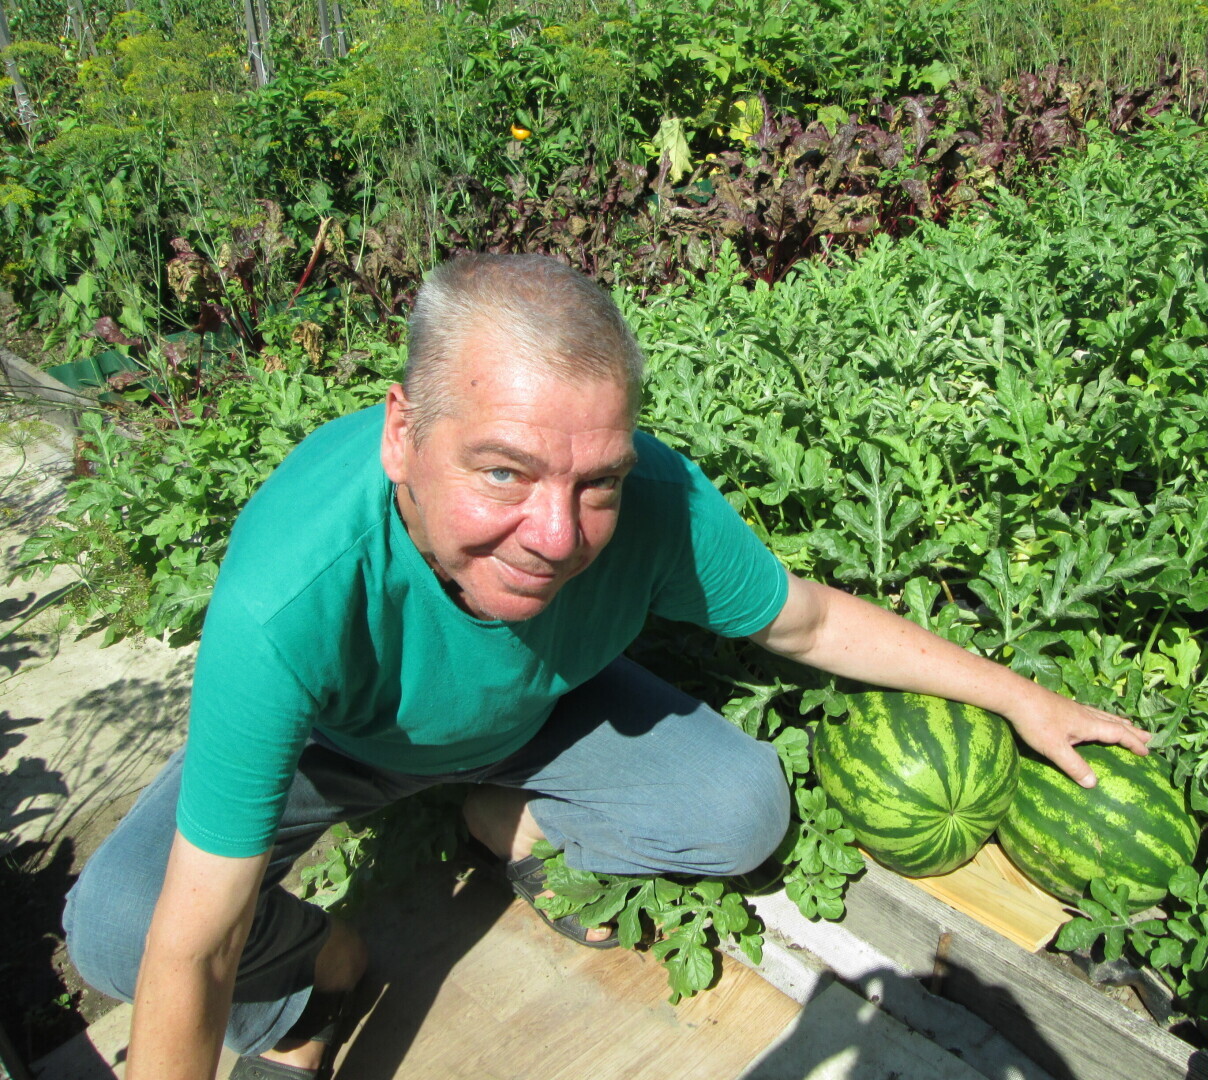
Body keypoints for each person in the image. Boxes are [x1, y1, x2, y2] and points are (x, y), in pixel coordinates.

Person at [62, 254, 1150, 1080]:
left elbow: (808, 623)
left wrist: (1021, 696)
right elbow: (194, 946)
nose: (556, 533)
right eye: (504, 471)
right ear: (401, 434)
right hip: (333, 749)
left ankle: (492, 814)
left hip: (538, 712)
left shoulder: (656, 505)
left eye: (598, 482)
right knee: (119, 928)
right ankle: (311, 988)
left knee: (739, 809)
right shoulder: (291, 592)